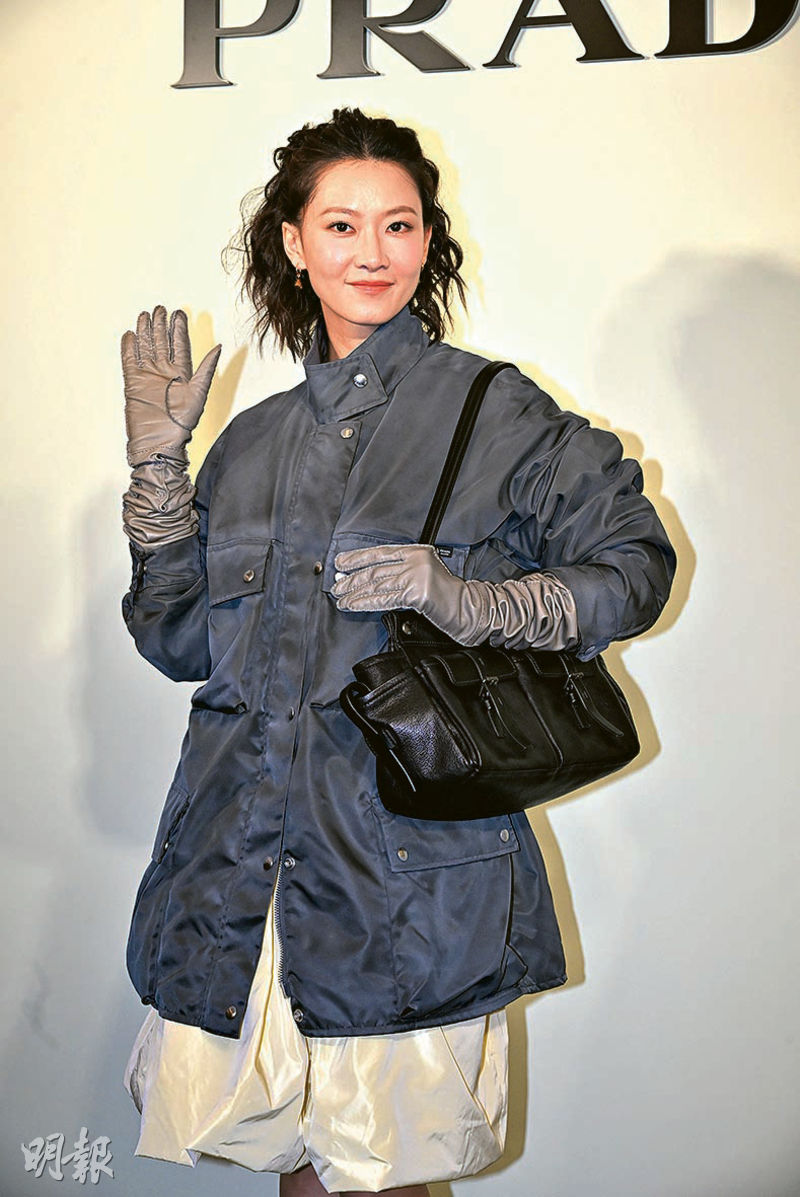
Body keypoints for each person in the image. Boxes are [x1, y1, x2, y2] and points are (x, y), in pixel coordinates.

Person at [119, 107, 676, 1194]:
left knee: (386, 1171)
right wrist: (157, 478)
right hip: (243, 869)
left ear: (428, 239)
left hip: (400, 880)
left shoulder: (496, 412)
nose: (371, 252)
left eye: (399, 224)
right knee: (294, 1167)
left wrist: (470, 601)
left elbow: (634, 569)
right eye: (340, 225)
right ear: (293, 242)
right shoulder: (251, 441)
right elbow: (180, 641)